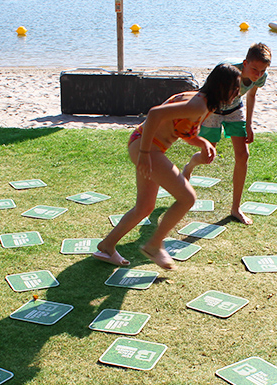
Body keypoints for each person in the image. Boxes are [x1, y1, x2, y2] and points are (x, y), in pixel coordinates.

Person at [92, 63, 241, 270]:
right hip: (147, 147)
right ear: (223, 86)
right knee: (187, 197)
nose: (237, 93)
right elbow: (154, 114)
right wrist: (144, 154)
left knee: (145, 207)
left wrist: (203, 143)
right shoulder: (198, 105)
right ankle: (154, 245)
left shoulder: (203, 102)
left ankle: (106, 247)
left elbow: (183, 130)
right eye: (235, 88)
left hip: (144, 145)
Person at [182, 43, 272, 225]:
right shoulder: (227, 70)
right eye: (255, 69)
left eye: (262, 71)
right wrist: (198, 121)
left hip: (235, 108)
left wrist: (249, 125)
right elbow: (205, 95)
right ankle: (189, 167)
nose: (258, 74)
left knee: (243, 154)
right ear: (245, 63)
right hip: (214, 108)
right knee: (208, 156)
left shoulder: (261, 77)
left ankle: (235, 208)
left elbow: (251, 96)